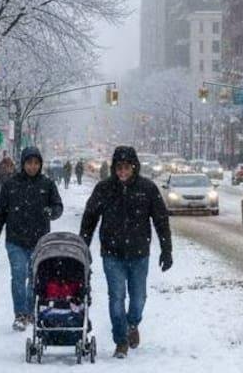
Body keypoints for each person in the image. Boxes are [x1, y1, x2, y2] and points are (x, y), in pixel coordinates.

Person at [80, 146, 172, 359]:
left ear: (134, 167)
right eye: (119, 167)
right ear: (114, 168)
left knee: (138, 298)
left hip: (139, 253)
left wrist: (166, 250)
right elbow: (89, 218)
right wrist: (83, 245)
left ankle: (133, 323)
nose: (122, 172)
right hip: (112, 253)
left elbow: (161, 220)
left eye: (126, 167)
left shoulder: (147, 189)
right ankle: (120, 340)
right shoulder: (104, 189)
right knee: (116, 297)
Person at [0, 146, 63, 331]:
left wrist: (51, 212)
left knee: (34, 277)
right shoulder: (11, 185)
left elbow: (58, 206)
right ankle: (20, 313)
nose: (32, 167)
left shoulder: (47, 184)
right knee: (18, 276)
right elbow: (0, 213)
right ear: (23, 164)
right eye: (29, 163)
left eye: (36, 163)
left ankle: (30, 311)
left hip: (39, 241)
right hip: (16, 240)